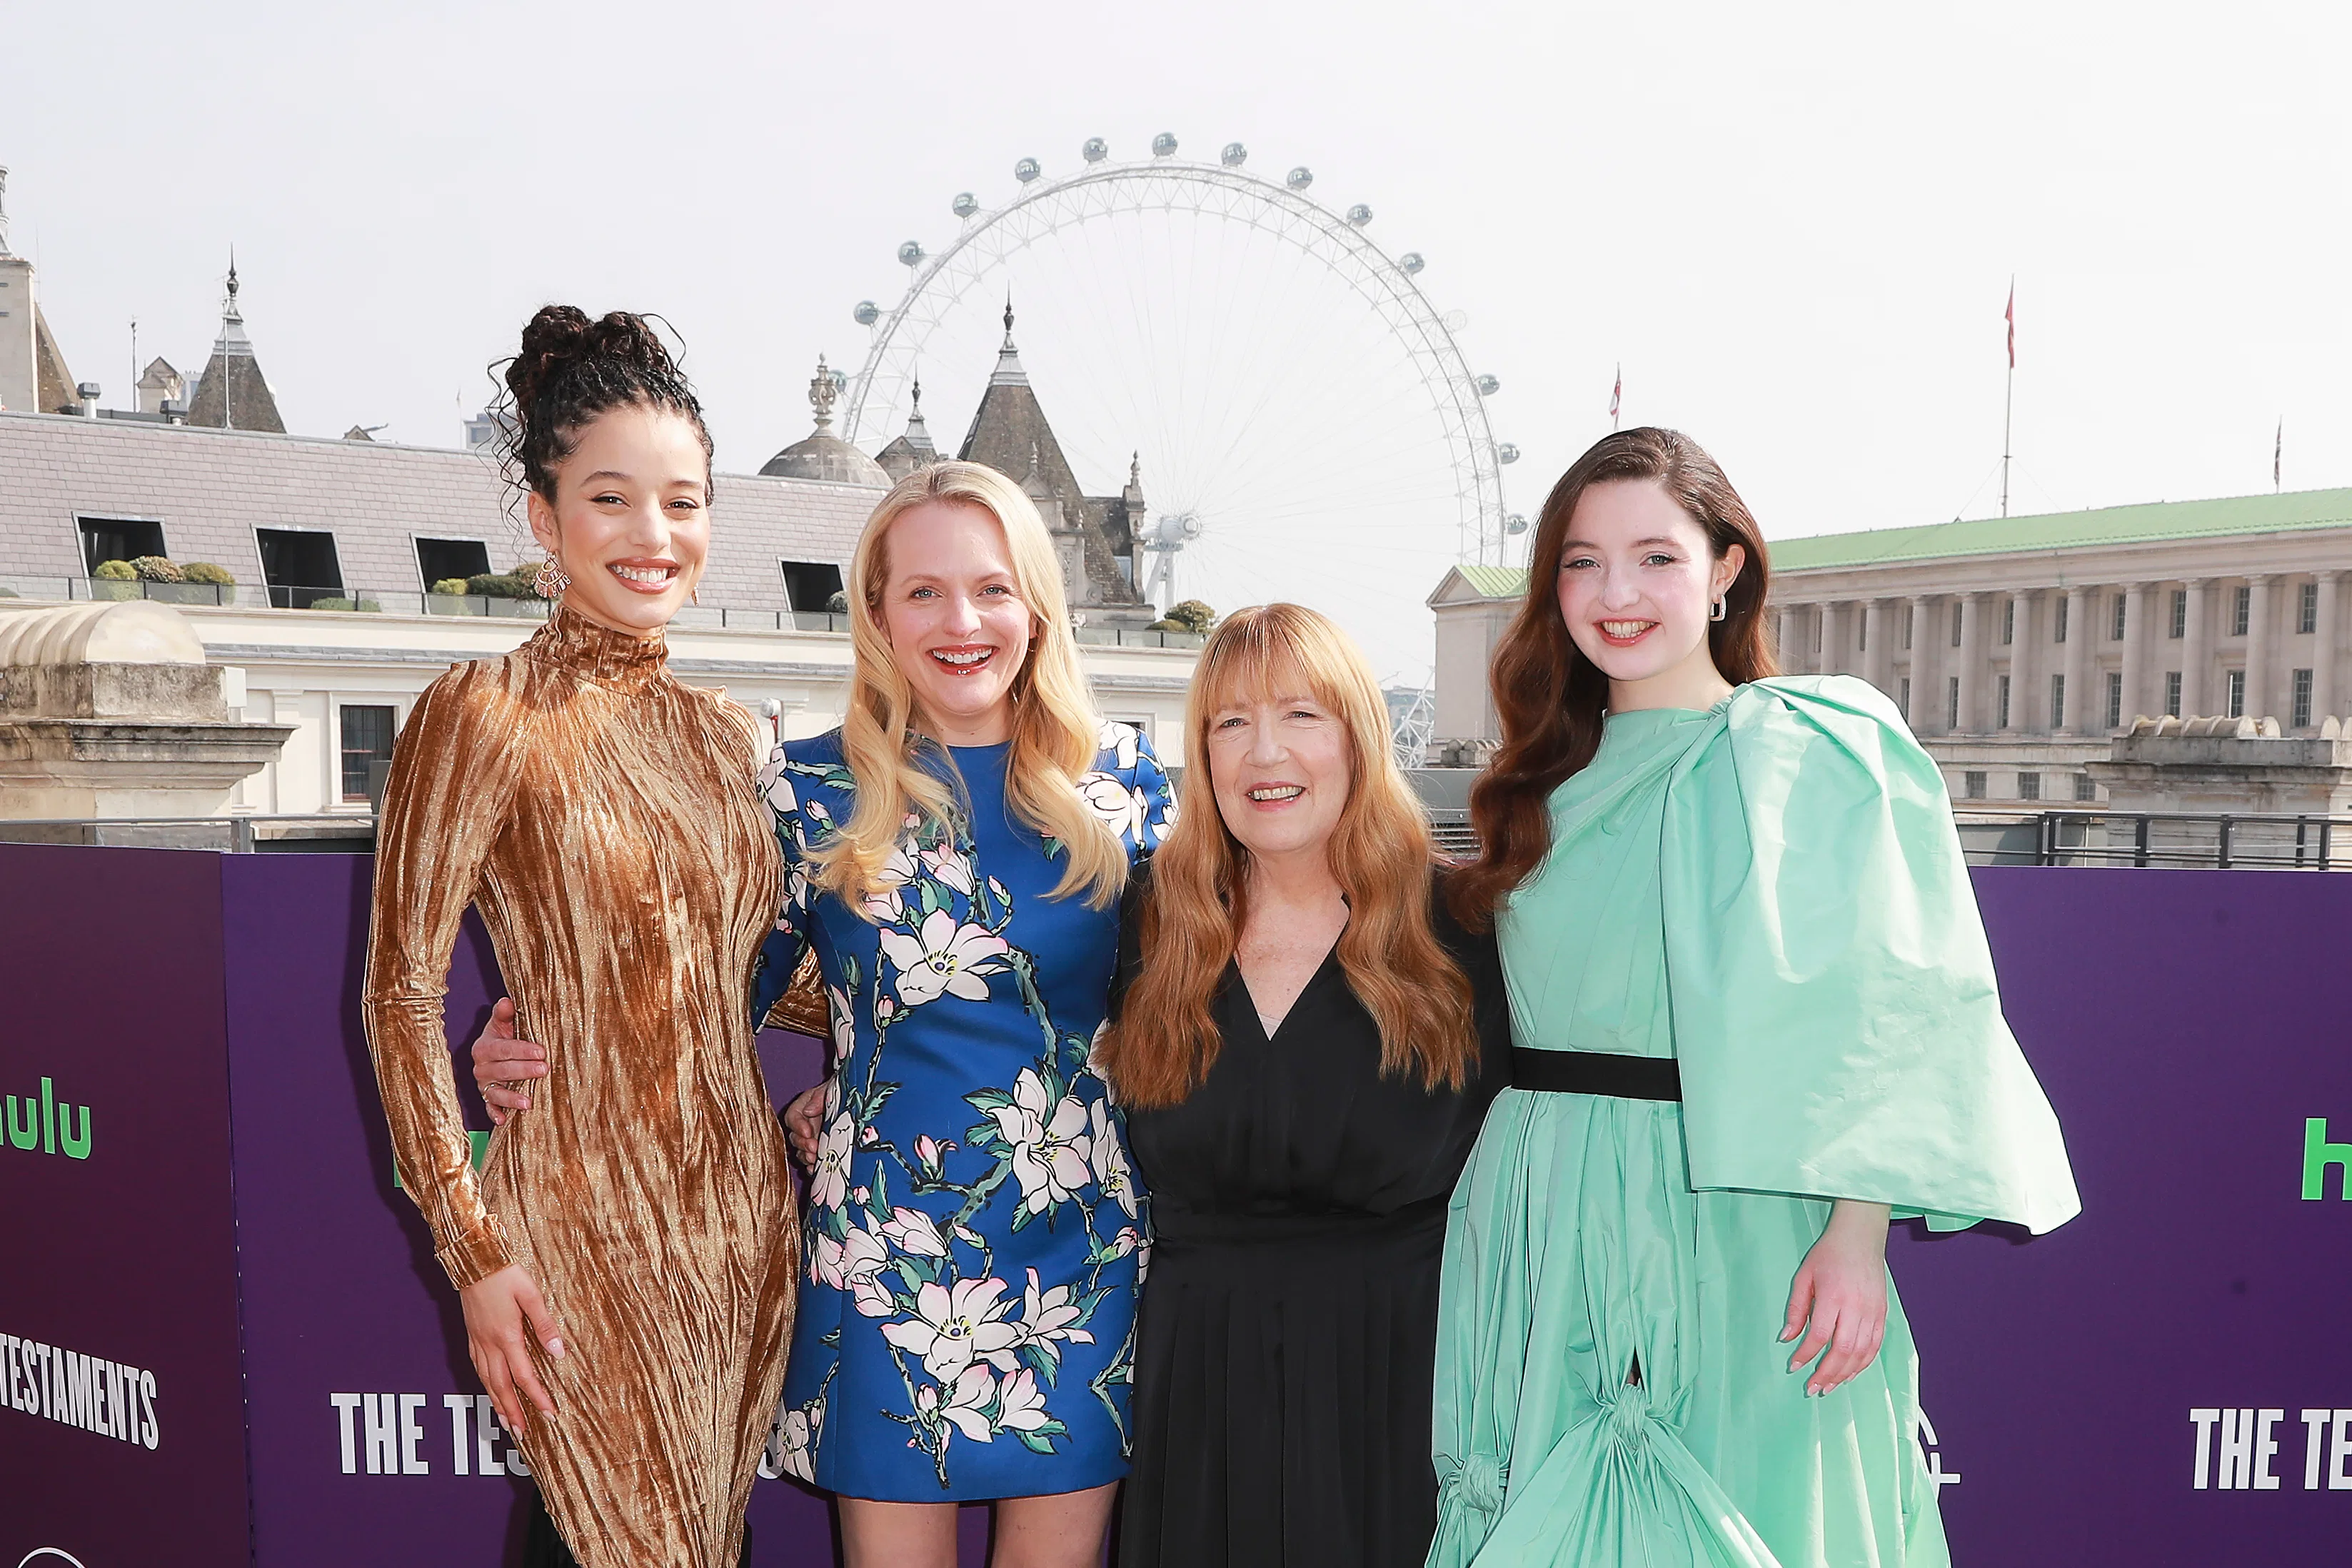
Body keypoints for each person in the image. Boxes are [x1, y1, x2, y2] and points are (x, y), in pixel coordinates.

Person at [1428, 427, 2081, 1568]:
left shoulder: (1807, 747)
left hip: (1735, 1211)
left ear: (1725, 568)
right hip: (1541, 1205)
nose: (1615, 594)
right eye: (1581, 563)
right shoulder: (1530, 779)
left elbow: (1886, 999)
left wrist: (1857, 1234)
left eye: (1655, 558)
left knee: (1754, 1512)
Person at [363, 307, 797, 1568]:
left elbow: (762, 976)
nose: (653, 535)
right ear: (545, 521)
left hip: (741, 1233)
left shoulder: (728, 735)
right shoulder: (481, 711)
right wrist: (474, 1253)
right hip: (576, 1236)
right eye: (611, 499)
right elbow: (399, 995)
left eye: (683, 502)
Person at [758, 458, 1171, 1567]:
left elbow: (1199, 1002)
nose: (961, 622)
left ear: (1036, 606)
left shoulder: (1128, 788)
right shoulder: (804, 792)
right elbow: (702, 1001)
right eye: (924, 592)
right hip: (881, 1254)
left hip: (1081, 1253)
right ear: (877, 612)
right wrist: (536, 1030)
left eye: (991, 588)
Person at [1091, 603, 1511, 1568]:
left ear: (1357, 738)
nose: (1264, 753)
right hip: (1197, 1392)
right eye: (1230, 722)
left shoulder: (1466, 926)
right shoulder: (1148, 920)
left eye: (1300, 716)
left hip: (1402, 1386)